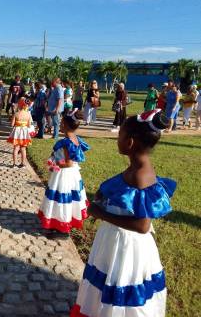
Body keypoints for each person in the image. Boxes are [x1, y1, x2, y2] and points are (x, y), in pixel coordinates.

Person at [71, 109, 175, 317]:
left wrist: (100, 213)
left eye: (120, 135)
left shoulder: (141, 175)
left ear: (131, 142)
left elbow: (142, 225)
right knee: (107, 281)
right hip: (114, 240)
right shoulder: (137, 168)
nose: (117, 139)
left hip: (126, 247)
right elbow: (123, 186)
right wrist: (105, 192)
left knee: (120, 285)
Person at [37, 109, 89, 238]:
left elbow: (68, 163)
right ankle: (63, 222)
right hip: (73, 174)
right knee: (69, 199)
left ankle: (62, 227)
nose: (59, 125)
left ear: (65, 125)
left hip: (64, 174)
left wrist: (54, 164)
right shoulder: (76, 138)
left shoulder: (67, 143)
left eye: (61, 123)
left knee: (61, 199)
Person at [7, 97, 33, 168]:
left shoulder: (16, 114)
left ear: (19, 105)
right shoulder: (28, 114)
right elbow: (29, 125)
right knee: (23, 148)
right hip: (24, 132)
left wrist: (16, 123)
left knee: (16, 148)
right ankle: (23, 163)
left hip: (17, 132)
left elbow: (12, 124)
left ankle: (14, 163)